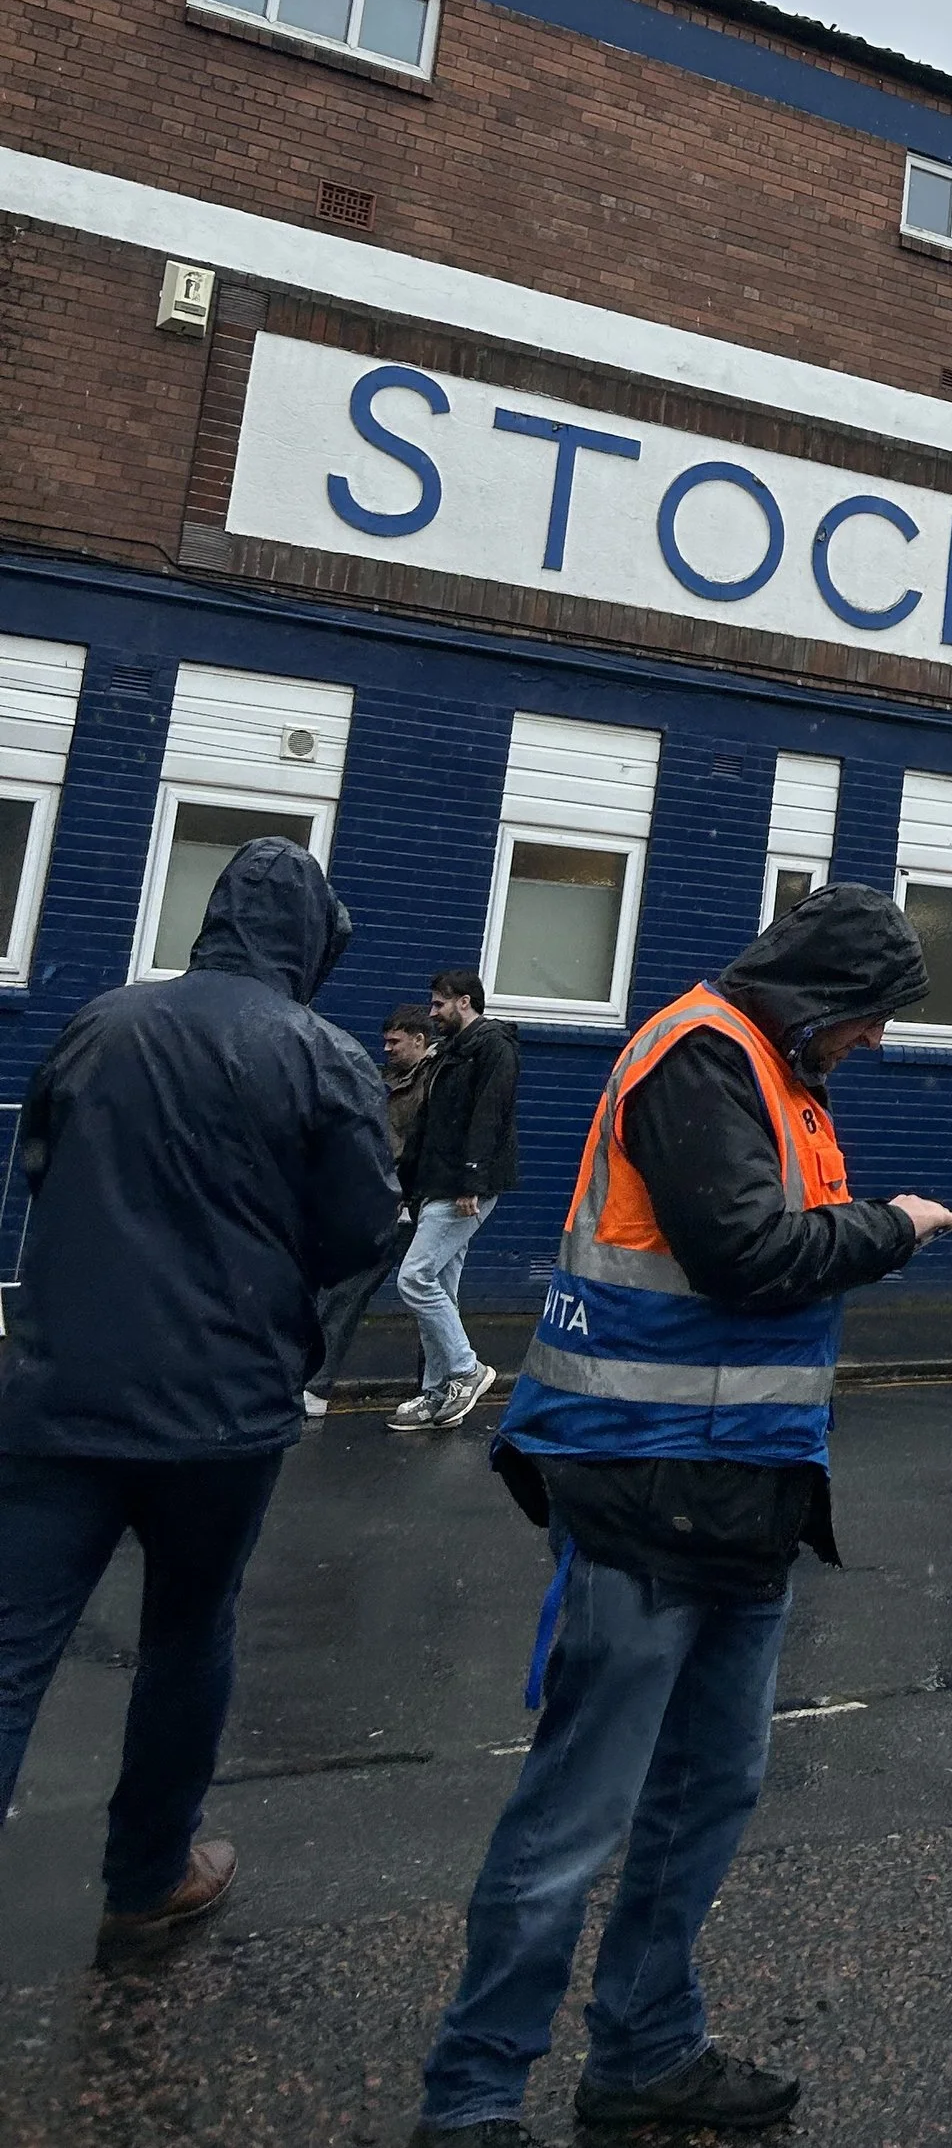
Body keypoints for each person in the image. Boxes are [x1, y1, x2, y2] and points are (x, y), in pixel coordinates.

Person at [409, 883, 952, 2147]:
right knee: (577, 1814)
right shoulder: (700, 1055)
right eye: (870, 1017)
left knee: (707, 1791)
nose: (874, 1042)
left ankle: (646, 2050)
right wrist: (896, 1226)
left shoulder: (774, 1071)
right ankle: (474, 2099)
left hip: (741, 1501)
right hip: (644, 1491)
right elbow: (748, 1254)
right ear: (822, 995)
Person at [0, 838, 398, 1958]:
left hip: (62, 1386)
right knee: (186, 1636)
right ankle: (148, 1872)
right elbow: (364, 1228)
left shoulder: (100, 1022)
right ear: (314, 941)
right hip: (223, 1406)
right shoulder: (322, 1056)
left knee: (10, 1644)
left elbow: (38, 1164)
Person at [392, 970, 522, 1436]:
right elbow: (432, 1123)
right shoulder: (450, 1051)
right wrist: (410, 1187)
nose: (432, 1012)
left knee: (415, 1277)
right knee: (439, 1288)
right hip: (438, 1183)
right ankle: (437, 1392)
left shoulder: (494, 1048)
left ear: (464, 1002)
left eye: (438, 1004)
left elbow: (489, 1115)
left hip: (464, 1187)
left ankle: (466, 1371)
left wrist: (472, 1181)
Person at [305, 1005, 439, 1417]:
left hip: (414, 1201)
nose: (387, 1049)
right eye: (385, 1041)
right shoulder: (388, 1079)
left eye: (395, 1042)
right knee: (360, 1289)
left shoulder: (436, 1081)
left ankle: (434, 1388)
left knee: (420, 1295)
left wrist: (409, 1191)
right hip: (386, 1198)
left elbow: (422, 1142)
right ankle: (317, 1386)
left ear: (420, 1040)